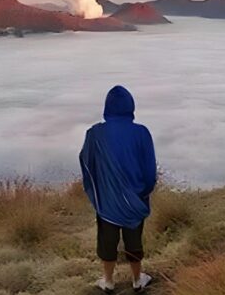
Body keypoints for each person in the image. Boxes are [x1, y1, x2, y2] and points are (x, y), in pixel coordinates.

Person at [79, 85, 157, 293]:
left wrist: (98, 191)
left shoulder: (95, 134)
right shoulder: (141, 133)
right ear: (131, 106)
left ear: (107, 108)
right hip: (135, 199)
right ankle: (137, 279)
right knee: (134, 240)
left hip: (107, 201)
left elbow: (87, 165)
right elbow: (150, 171)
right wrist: (143, 193)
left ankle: (108, 281)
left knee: (107, 240)